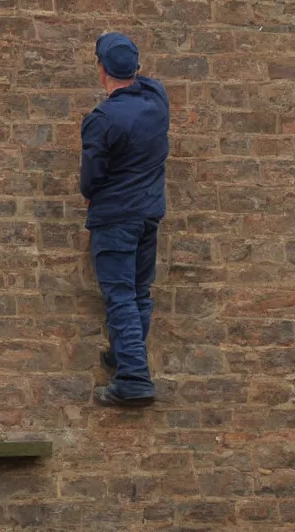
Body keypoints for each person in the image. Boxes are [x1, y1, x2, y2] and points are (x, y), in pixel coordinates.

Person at [81, 32, 169, 407]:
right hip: (149, 213)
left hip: (116, 218)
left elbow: (90, 181)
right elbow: (146, 80)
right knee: (138, 294)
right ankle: (124, 351)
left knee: (120, 298)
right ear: (137, 68)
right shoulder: (157, 100)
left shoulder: (101, 120)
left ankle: (133, 378)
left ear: (101, 70)